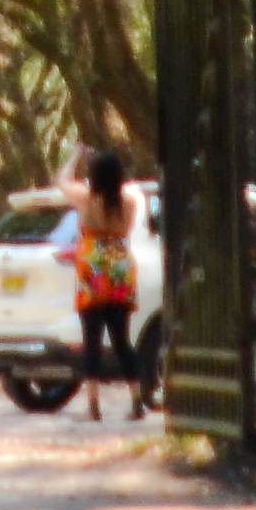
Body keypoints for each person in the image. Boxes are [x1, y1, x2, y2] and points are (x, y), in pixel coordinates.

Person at [65, 146, 150, 421]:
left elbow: (62, 181)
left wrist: (76, 157)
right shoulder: (129, 203)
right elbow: (134, 190)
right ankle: (137, 400)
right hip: (120, 268)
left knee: (92, 339)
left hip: (93, 272)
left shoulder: (87, 199)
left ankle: (93, 406)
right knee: (122, 339)